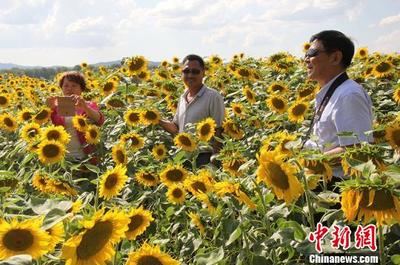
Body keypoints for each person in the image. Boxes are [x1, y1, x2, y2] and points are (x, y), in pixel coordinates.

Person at [303, 30, 373, 183]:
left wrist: (311, 163)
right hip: (321, 179)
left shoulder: (349, 95)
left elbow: (357, 149)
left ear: (335, 57)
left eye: (312, 53)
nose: (306, 59)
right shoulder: (332, 92)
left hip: (338, 187)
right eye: (306, 53)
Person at [160, 54, 225, 167]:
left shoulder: (213, 97)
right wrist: (157, 120)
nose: (190, 75)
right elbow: (176, 128)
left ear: (203, 73)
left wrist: (214, 162)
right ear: (182, 73)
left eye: (195, 71)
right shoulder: (182, 97)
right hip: (183, 156)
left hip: (204, 157)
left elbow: (219, 130)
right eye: (186, 71)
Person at [47, 71, 104, 161]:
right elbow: (52, 129)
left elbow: (99, 120)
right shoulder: (56, 107)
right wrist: (49, 109)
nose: (69, 89)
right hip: (63, 158)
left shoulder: (89, 105)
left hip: (85, 157)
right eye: (66, 86)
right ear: (61, 88)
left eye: (74, 85)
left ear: (81, 89)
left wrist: (85, 107)